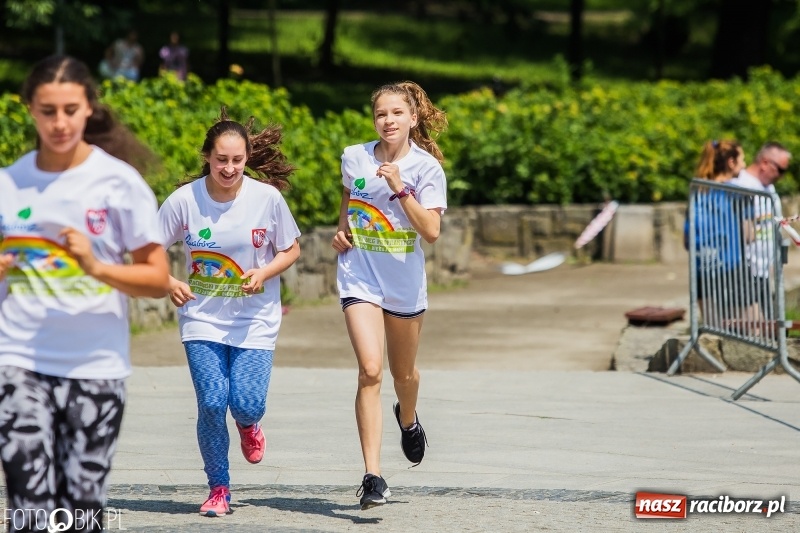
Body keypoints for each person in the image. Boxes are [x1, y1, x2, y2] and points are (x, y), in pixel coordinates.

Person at [0, 55, 169, 531]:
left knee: (80, 510)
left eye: (70, 110)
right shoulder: (8, 185)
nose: (59, 122)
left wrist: (96, 266)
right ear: (29, 109)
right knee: (30, 508)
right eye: (47, 110)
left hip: (95, 366)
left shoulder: (118, 182)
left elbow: (156, 278)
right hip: (18, 361)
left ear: (89, 108)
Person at [157, 107, 301, 517]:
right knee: (211, 402)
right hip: (201, 319)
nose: (229, 168)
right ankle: (218, 487)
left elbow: (291, 248)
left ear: (247, 158)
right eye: (221, 159)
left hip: (255, 318)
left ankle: (249, 424)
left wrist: (266, 271)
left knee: (246, 403)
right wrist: (169, 282)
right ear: (207, 156)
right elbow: (147, 250)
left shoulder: (267, 199)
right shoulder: (185, 200)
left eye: (237, 160)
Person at [331, 81, 448, 510]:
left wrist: (400, 188)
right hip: (359, 276)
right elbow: (349, 193)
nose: (388, 121)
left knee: (404, 375)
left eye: (397, 113)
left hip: (403, 284)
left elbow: (432, 232)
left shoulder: (426, 169)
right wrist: (342, 227)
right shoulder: (354, 156)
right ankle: (373, 476)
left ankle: (409, 417)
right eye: (381, 114)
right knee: (369, 369)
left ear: (413, 119)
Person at [684, 140, 757, 323]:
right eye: (742, 159)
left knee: (713, 329)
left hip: (703, 267)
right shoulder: (737, 193)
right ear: (731, 162)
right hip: (733, 268)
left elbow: (687, 240)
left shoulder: (697, 191)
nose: (745, 164)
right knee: (754, 328)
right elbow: (749, 235)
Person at [730, 142, 792, 321]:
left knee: (769, 324)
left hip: (763, 270)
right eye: (780, 170)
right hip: (745, 270)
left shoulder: (768, 187)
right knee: (757, 327)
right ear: (765, 163)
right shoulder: (740, 184)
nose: (781, 176)